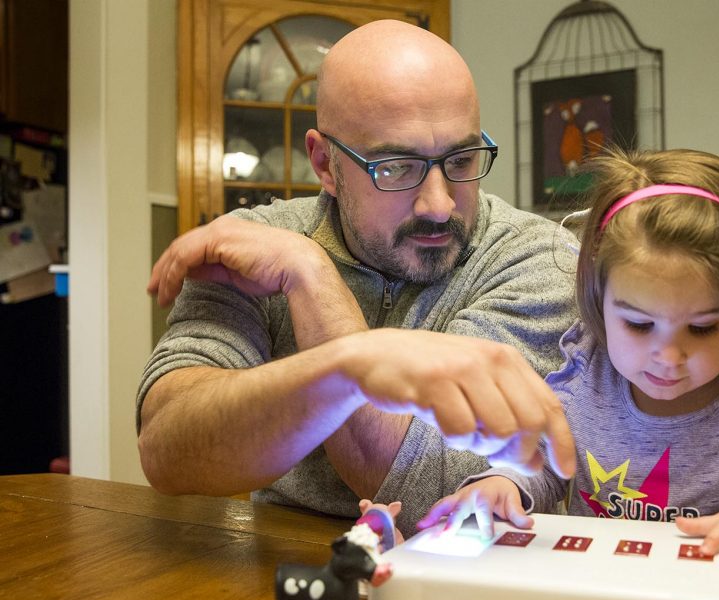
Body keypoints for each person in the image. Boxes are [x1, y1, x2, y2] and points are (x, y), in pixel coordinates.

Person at [136, 20, 578, 536]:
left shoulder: (538, 259)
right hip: (282, 565)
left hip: (470, 581)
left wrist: (314, 285)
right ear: (324, 162)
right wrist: (307, 272)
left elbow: (431, 493)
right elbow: (167, 449)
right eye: (395, 167)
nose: (438, 205)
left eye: (461, 160)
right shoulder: (261, 243)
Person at [420, 148, 719, 581]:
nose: (668, 357)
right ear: (596, 296)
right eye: (640, 325)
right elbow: (542, 466)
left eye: (701, 328)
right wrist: (503, 485)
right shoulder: (581, 379)